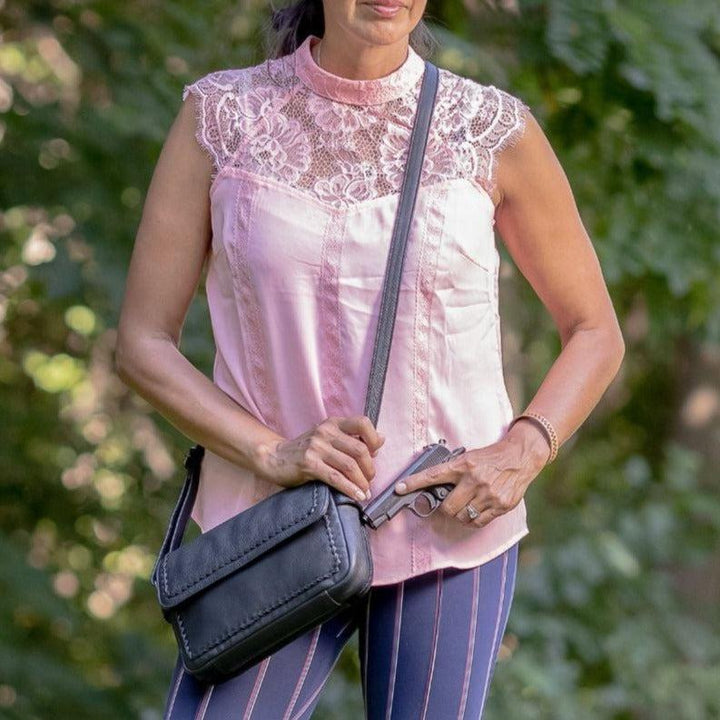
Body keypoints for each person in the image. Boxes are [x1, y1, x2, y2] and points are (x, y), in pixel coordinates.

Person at [115, 0, 625, 717]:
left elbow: (595, 329)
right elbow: (142, 344)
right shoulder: (221, 117)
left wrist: (524, 448)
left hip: (447, 528)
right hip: (270, 529)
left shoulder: (489, 128)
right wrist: (270, 451)